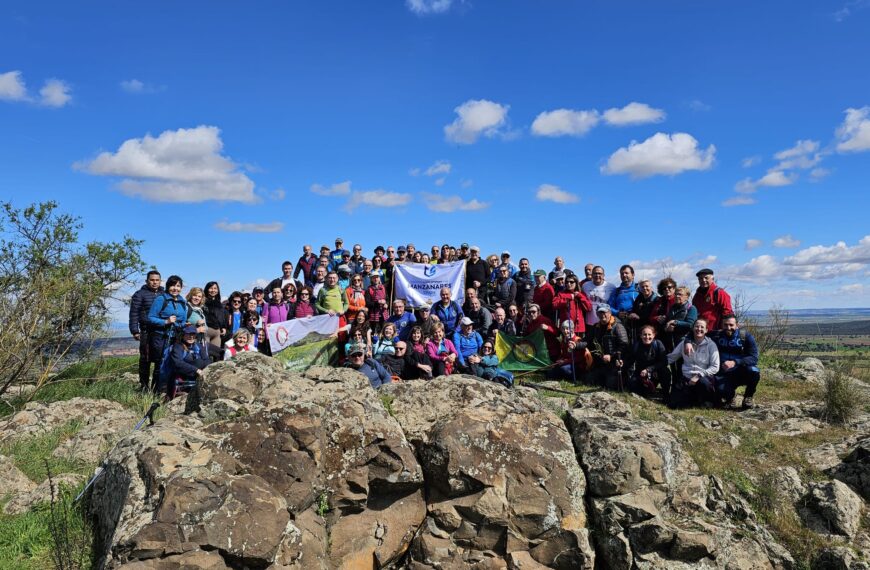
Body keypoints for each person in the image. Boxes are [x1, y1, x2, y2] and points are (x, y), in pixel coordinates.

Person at [707, 314, 760, 409]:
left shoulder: (745, 336)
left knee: (754, 371)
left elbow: (754, 357)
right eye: (725, 325)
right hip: (723, 373)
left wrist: (735, 362)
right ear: (721, 325)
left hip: (741, 371)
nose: (728, 327)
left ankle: (748, 396)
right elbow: (697, 333)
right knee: (720, 390)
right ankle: (730, 397)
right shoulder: (716, 335)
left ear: (737, 325)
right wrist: (688, 342)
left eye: (731, 325)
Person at [146, 275, 188, 394]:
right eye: (173, 285)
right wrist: (166, 321)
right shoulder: (161, 299)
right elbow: (151, 318)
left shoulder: (182, 301)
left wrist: (181, 325)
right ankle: (156, 392)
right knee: (160, 364)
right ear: (168, 286)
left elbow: (183, 319)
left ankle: (170, 391)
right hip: (161, 337)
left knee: (173, 362)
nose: (175, 288)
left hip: (176, 337)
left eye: (178, 286)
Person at [667, 318, 720, 408]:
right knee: (673, 404)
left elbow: (715, 367)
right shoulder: (684, 343)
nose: (699, 329)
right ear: (693, 328)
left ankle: (707, 400)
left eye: (702, 327)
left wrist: (699, 375)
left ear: (706, 330)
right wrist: (654, 365)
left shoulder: (711, 345)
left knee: (703, 384)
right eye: (697, 326)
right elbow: (671, 357)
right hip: (687, 378)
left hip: (703, 378)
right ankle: (693, 399)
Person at [129, 270, 163, 392]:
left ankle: (156, 387)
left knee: (160, 360)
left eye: (157, 280)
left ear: (160, 281)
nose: (155, 282)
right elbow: (134, 313)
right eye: (152, 280)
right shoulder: (140, 294)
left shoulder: (163, 293)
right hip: (146, 331)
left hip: (161, 331)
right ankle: (144, 387)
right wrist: (134, 330)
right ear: (147, 281)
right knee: (145, 359)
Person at [585, 305, 629, 390]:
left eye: (604, 312)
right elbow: (586, 341)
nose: (602, 315)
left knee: (611, 385)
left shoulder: (618, 326)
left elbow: (624, 345)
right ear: (597, 314)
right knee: (588, 380)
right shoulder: (595, 327)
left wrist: (611, 355)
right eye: (600, 313)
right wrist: (576, 344)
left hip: (615, 362)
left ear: (610, 313)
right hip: (601, 362)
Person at [625, 325, 671, 398]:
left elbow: (664, 362)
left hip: (656, 371)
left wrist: (649, 369)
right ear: (640, 335)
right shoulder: (636, 345)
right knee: (632, 385)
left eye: (649, 334)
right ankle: (647, 392)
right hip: (641, 372)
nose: (647, 337)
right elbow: (630, 360)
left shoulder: (658, 344)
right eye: (644, 335)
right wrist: (622, 363)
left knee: (665, 372)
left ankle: (665, 394)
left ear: (654, 335)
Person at [167, 324, 210, 400]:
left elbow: (207, 360)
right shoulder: (177, 346)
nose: (191, 337)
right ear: (183, 335)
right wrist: (196, 370)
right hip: (182, 375)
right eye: (188, 334)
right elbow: (178, 363)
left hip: (198, 374)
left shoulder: (199, 346)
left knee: (202, 362)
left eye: (193, 334)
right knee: (199, 362)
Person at [553, 273, 592, 338]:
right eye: (567, 282)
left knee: (579, 346)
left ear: (576, 283)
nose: (568, 284)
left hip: (578, 326)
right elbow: (554, 305)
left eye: (571, 282)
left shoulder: (581, 294)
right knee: (566, 346)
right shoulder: (561, 294)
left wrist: (580, 297)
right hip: (566, 327)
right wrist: (569, 297)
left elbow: (588, 308)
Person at [664, 286, 698, 351]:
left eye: (680, 294)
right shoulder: (672, 308)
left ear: (687, 297)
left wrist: (676, 322)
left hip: (685, 341)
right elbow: (667, 321)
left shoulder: (691, 308)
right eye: (676, 294)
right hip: (671, 341)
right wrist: (667, 328)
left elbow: (691, 325)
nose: (677, 296)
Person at [203, 281, 228, 351]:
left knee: (216, 354)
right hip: (206, 331)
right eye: (211, 288)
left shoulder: (219, 303)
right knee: (205, 353)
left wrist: (223, 327)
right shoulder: (203, 302)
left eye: (215, 288)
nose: (213, 290)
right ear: (207, 289)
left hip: (217, 332)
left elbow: (221, 317)